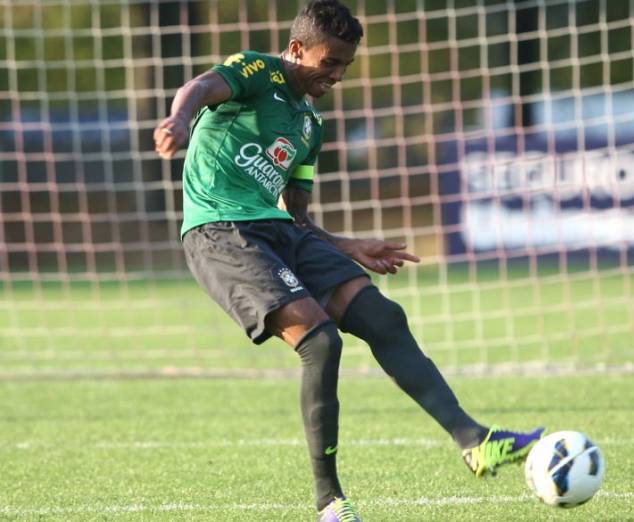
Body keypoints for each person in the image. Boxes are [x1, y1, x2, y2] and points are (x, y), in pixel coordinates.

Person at [152, 1, 543, 520]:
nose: (336, 75)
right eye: (329, 62)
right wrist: (179, 118)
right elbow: (200, 87)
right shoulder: (257, 71)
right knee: (321, 341)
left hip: (279, 232)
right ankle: (329, 500)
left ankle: (475, 441)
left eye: (344, 66)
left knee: (384, 317)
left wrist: (351, 247)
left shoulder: (310, 126)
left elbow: (299, 219)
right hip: (221, 231)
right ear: (296, 49)